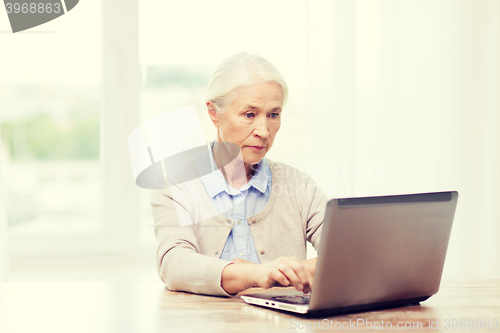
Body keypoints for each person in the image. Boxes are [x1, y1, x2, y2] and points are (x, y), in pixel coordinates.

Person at [151, 52, 328, 296]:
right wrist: (258, 274)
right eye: (249, 114)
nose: (264, 131)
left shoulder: (300, 186)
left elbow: (349, 254)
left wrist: (279, 272)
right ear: (214, 113)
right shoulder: (176, 184)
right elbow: (174, 264)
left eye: (273, 115)